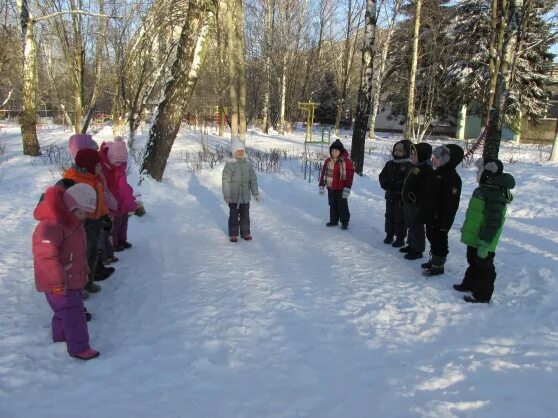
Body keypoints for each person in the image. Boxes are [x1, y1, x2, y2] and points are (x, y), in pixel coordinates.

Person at [32, 183, 100, 360]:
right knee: (74, 314)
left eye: (86, 214)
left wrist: (84, 272)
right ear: (70, 206)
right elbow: (45, 256)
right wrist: (57, 280)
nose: (83, 217)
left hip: (71, 279)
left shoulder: (72, 222)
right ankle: (79, 348)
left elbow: (77, 253)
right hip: (58, 282)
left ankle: (60, 337)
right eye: (81, 212)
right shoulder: (51, 226)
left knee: (64, 312)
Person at [455, 157, 515, 303]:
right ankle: (469, 284)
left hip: (484, 239)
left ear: (488, 174)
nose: (477, 173)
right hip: (476, 237)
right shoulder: (484, 190)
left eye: (479, 170)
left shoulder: (494, 195)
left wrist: (485, 241)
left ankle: (482, 295)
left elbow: (493, 221)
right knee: (473, 261)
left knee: (484, 267)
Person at [64, 148, 114, 292]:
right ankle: (78, 287)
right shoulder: (74, 181)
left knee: (93, 252)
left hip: (95, 222)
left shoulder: (94, 179)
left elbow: (99, 202)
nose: (101, 167)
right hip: (81, 225)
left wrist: (105, 215)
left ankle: (89, 281)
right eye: (98, 165)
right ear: (89, 165)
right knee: (82, 257)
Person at [422, 144, 464, 276]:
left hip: (441, 218)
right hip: (432, 215)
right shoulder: (437, 173)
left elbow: (451, 203)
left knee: (439, 240)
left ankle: (438, 265)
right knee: (431, 237)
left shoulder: (452, 177)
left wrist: (445, 221)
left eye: (437, 158)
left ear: (446, 159)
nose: (433, 160)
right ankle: (433, 259)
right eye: (433, 157)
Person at [99, 137, 136, 253]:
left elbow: (123, 182)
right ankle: (113, 244)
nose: (119, 164)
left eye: (121, 162)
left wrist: (128, 195)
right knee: (115, 222)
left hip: (121, 197)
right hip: (111, 199)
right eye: (117, 161)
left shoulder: (120, 166)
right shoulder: (103, 167)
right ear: (110, 157)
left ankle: (122, 240)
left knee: (124, 220)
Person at [222, 140, 260, 242]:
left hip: (245, 196)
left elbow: (253, 179)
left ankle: (245, 233)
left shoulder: (247, 164)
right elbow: (225, 180)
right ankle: (234, 234)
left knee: (245, 216)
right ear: (234, 152)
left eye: (242, 151)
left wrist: (255, 193)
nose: (240, 153)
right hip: (233, 197)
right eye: (238, 151)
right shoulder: (230, 165)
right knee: (234, 215)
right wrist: (227, 195)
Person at [401, 142, 433, 260]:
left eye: (414, 154)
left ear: (422, 155)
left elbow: (424, 188)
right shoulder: (416, 167)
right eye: (412, 153)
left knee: (417, 226)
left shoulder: (425, 169)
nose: (411, 156)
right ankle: (411, 244)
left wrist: (415, 198)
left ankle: (418, 249)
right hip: (409, 202)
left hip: (416, 204)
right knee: (411, 224)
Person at [379, 140, 413, 247]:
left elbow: (409, 180)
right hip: (390, 195)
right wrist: (385, 184)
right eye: (396, 150)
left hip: (401, 197)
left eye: (400, 150)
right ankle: (389, 234)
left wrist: (399, 186)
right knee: (389, 216)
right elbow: (382, 175)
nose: (397, 152)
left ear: (406, 152)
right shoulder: (390, 164)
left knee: (400, 218)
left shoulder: (409, 165)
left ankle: (400, 237)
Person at [318, 139, 354, 230]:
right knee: (332, 204)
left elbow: (350, 176)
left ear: (340, 151)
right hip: (331, 187)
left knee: (342, 205)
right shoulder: (328, 161)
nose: (334, 152)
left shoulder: (347, 162)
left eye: (336, 151)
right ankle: (333, 221)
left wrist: (347, 187)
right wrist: (322, 185)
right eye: (332, 150)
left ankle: (344, 222)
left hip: (342, 188)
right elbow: (323, 173)